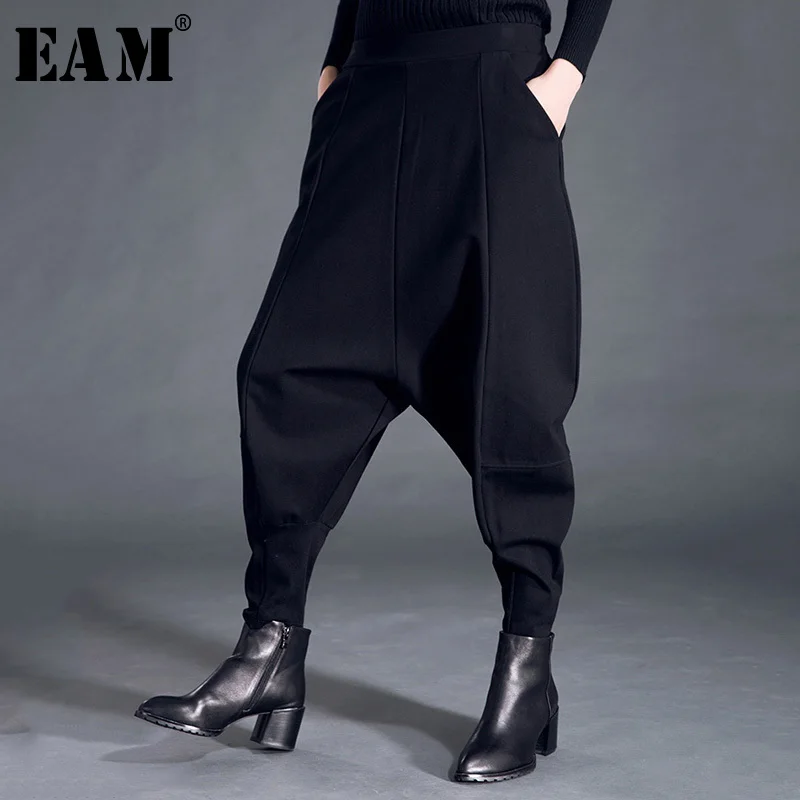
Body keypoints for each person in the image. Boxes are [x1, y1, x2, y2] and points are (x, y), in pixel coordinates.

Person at [135, 0, 614, 783]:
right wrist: (337, 62)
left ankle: (527, 666)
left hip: (492, 89)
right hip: (370, 88)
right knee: (285, 370)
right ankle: (269, 649)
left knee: (511, 387)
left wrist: (568, 71)